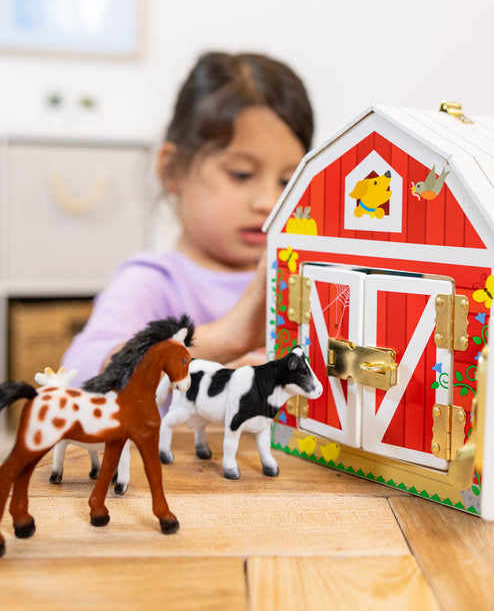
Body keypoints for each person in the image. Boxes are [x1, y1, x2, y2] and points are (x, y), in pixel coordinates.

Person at [61, 51, 313, 381]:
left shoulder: (299, 277)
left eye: (287, 181)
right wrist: (226, 340)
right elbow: (79, 373)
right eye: (241, 174)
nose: (270, 202)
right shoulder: (153, 282)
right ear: (172, 170)